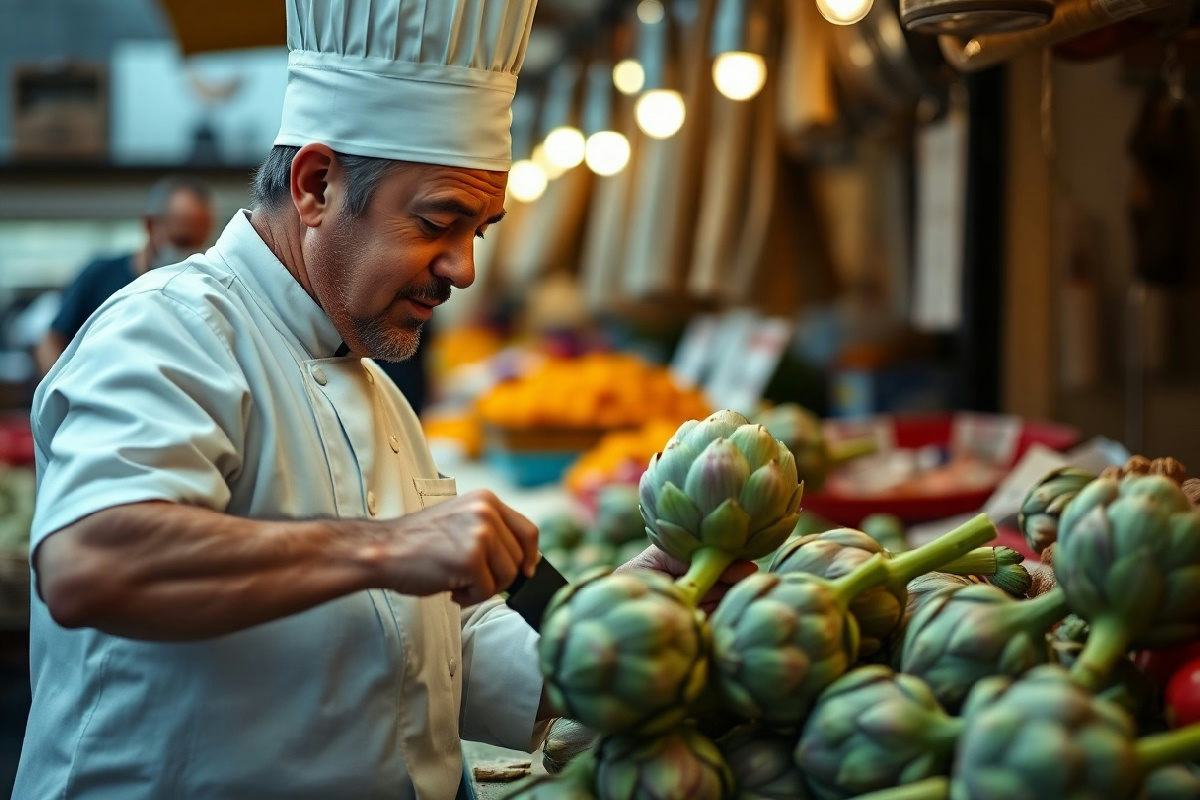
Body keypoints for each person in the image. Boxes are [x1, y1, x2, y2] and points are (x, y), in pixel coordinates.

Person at [14, 2, 752, 799]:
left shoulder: (376, 389)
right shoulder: (170, 329)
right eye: (440, 222)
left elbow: (424, 646)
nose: (464, 269)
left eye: (481, 232)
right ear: (316, 185)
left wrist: (617, 631)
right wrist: (388, 546)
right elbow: (91, 561)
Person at [33, 175, 215, 375]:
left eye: (200, 244)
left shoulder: (197, 291)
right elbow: (52, 340)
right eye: (182, 241)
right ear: (150, 225)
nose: (192, 253)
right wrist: (61, 390)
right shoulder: (100, 275)